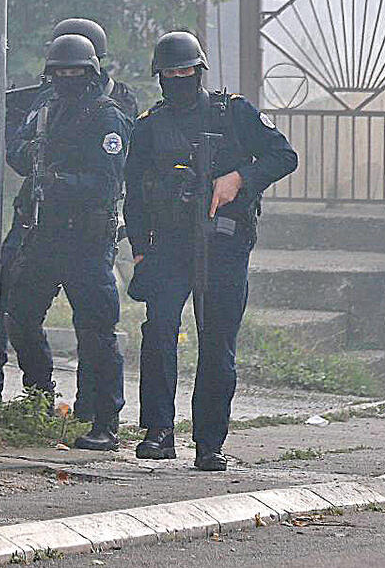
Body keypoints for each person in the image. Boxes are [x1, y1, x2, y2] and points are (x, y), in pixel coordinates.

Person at [124, 31, 297, 471]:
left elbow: (283, 155)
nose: (180, 78)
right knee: (159, 333)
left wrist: (239, 178)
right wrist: (140, 251)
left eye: (187, 71)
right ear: (160, 77)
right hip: (168, 246)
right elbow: (134, 194)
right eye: (171, 73)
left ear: (199, 71)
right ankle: (158, 432)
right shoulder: (149, 126)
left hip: (223, 245)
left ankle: (209, 442)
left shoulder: (233, 112)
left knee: (217, 343)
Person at [0, 18, 138, 421]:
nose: (67, 79)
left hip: (87, 238)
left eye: (75, 72)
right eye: (60, 72)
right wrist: (31, 158)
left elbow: (106, 181)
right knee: (19, 316)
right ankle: (40, 397)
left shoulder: (109, 112)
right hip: (42, 232)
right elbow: (18, 148)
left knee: (95, 330)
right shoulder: (46, 108)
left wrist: (60, 180)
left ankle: (100, 418)